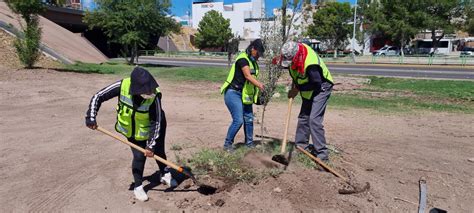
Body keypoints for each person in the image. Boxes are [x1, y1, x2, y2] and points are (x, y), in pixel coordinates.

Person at [85, 67, 177, 202]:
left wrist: (151, 145)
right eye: (146, 92)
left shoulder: (155, 96)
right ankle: (138, 186)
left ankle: (164, 173)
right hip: (132, 130)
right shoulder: (122, 86)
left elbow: (156, 122)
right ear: (137, 90)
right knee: (139, 156)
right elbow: (98, 96)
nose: (150, 93)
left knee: (158, 151)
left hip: (155, 125)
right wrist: (91, 116)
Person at [278, 41, 334, 163]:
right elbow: (296, 75)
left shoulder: (310, 63)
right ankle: (301, 147)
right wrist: (295, 87)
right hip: (308, 87)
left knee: (314, 119)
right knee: (304, 117)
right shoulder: (293, 57)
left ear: (296, 55)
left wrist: (297, 89)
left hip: (321, 86)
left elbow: (316, 83)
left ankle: (322, 155)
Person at [220, 39, 265, 152]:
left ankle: (249, 144)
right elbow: (248, 76)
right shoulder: (243, 59)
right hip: (233, 93)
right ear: (253, 49)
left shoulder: (253, 61)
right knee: (238, 120)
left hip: (245, 94)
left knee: (249, 119)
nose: (259, 56)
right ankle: (227, 145)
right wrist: (261, 86)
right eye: (258, 53)